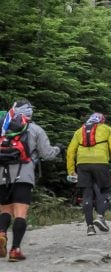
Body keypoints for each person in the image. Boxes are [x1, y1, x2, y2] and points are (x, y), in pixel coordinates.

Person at [0, 100, 61, 261]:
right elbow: (47, 153)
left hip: (2, 175)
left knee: (5, 210)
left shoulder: (3, 129)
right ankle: (15, 250)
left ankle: (1, 234)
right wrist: (58, 148)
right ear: (29, 113)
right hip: (24, 175)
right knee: (20, 213)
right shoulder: (35, 129)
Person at [66, 112, 111, 236]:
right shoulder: (107, 129)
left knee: (87, 193)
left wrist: (71, 170)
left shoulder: (79, 131)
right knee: (105, 190)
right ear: (102, 121)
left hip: (82, 164)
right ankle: (100, 216)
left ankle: (90, 227)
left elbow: (70, 151)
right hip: (101, 163)